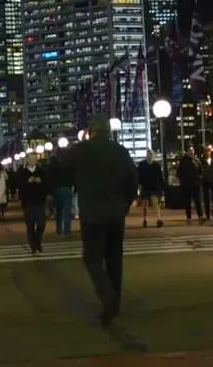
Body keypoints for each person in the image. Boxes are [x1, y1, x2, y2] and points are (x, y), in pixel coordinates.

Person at [67, 114, 138, 328]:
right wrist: (124, 204)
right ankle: (114, 305)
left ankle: (106, 294)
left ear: (91, 131)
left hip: (92, 214)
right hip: (116, 214)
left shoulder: (82, 150)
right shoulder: (121, 151)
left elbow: (63, 169)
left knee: (92, 259)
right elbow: (133, 180)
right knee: (115, 259)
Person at [18, 153, 49, 253]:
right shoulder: (23, 173)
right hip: (28, 202)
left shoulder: (42, 172)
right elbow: (20, 187)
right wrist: (27, 182)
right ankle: (33, 246)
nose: (33, 161)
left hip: (40, 201)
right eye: (30, 159)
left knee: (41, 224)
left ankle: (37, 242)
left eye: (34, 159)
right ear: (27, 160)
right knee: (30, 225)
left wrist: (41, 182)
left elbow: (47, 185)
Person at [47, 153, 75, 237]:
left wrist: (50, 191)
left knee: (58, 211)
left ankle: (59, 230)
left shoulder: (53, 164)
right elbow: (73, 175)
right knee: (67, 212)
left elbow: (49, 178)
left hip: (57, 189)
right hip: (67, 188)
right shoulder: (69, 163)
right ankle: (67, 231)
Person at [136, 150, 164, 228]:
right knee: (145, 205)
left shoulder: (156, 165)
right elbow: (138, 176)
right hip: (145, 186)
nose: (149, 156)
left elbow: (160, 177)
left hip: (153, 186)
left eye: (151, 154)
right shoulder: (142, 165)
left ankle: (158, 219)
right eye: (148, 154)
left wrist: (161, 186)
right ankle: (145, 219)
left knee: (155, 203)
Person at [175, 147, 203, 224]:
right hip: (186, 185)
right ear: (187, 152)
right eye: (189, 151)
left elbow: (201, 171)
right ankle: (188, 217)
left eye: (192, 150)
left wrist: (199, 179)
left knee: (197, 201)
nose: (191, 152)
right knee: (187, 202)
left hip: (195, 184)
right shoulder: (183, 161)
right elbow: (179, 173)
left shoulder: (197, 160)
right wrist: (183, 180)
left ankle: (200, 216)